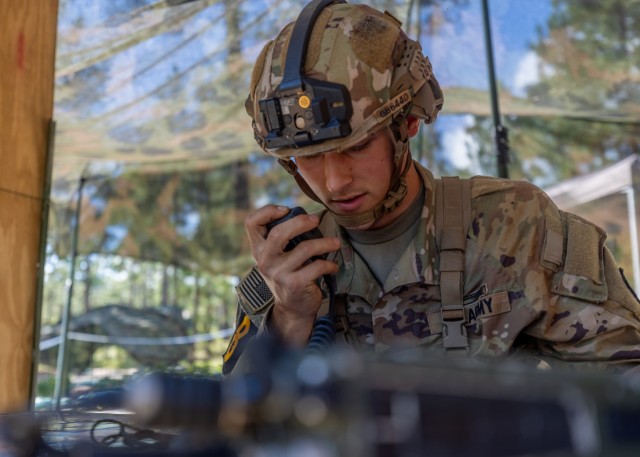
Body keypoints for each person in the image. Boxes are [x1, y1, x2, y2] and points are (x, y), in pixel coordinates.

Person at [222, 0, 640, 376]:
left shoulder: (518, 225)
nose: (333, 182)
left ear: (407, 124)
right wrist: (290, 319)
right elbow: (236, 422)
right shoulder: (287, 269)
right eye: (308, 157)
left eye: (358, 146)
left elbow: (626, 382)